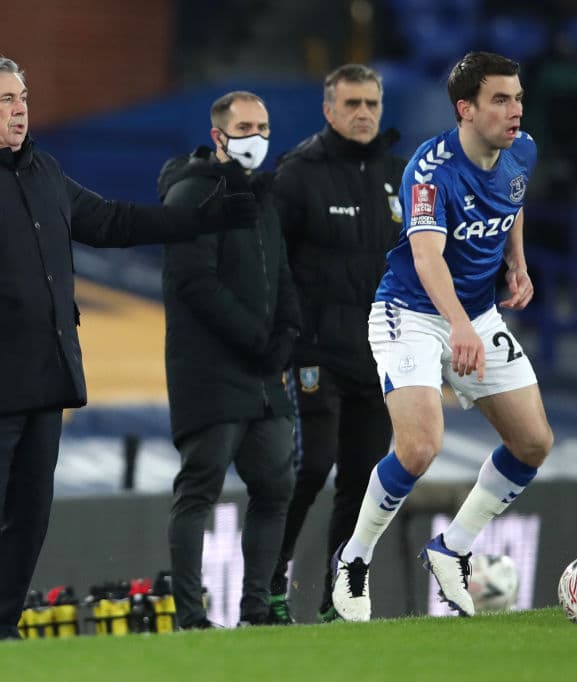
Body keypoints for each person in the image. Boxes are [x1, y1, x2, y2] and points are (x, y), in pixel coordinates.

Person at [0, 57, 258, 641]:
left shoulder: (43, 170)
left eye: (23, 97)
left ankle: (0, 626)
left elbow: (111, 221)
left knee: (30, 516)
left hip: (46, 371)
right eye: (7, 99)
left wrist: (199, 219)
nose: (20, 108)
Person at [330, 51, 555, 621]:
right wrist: (459, 326)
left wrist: (517, 262)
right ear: (465, 108)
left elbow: (513, 199)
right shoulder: (429, 171)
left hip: (476, 313)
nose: (515, 110)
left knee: (533, 444)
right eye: (501, 100)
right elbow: (428, 260)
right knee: (420, 445)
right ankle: (354, 559)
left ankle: (451, 548)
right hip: (411, 312)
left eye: (519, 97)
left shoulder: (520, 149)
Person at [268, 64, 404, 623]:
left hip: (380, 353)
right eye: (352, 103)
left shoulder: (399, 174)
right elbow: (271, 263)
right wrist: (285, 342)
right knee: (311, 464)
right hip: (316, 351)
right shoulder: (297, 175)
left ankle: (337, 597)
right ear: (329, 111)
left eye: (371, 102)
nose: (364, 112)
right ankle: (269, 580)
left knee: (363, 481)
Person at [158, 91, 300, 628]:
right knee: (200, 489)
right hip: (210, 375)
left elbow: (282, 274)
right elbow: (192, 282)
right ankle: (192, 618)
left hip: (264, 377)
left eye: (263, 127)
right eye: (245, 127)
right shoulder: (191, 195)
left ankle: (256, 610)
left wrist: (286, 333)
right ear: (219, 135)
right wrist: (256, 339)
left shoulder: (264, 197)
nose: (257, 137)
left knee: (276, 488)